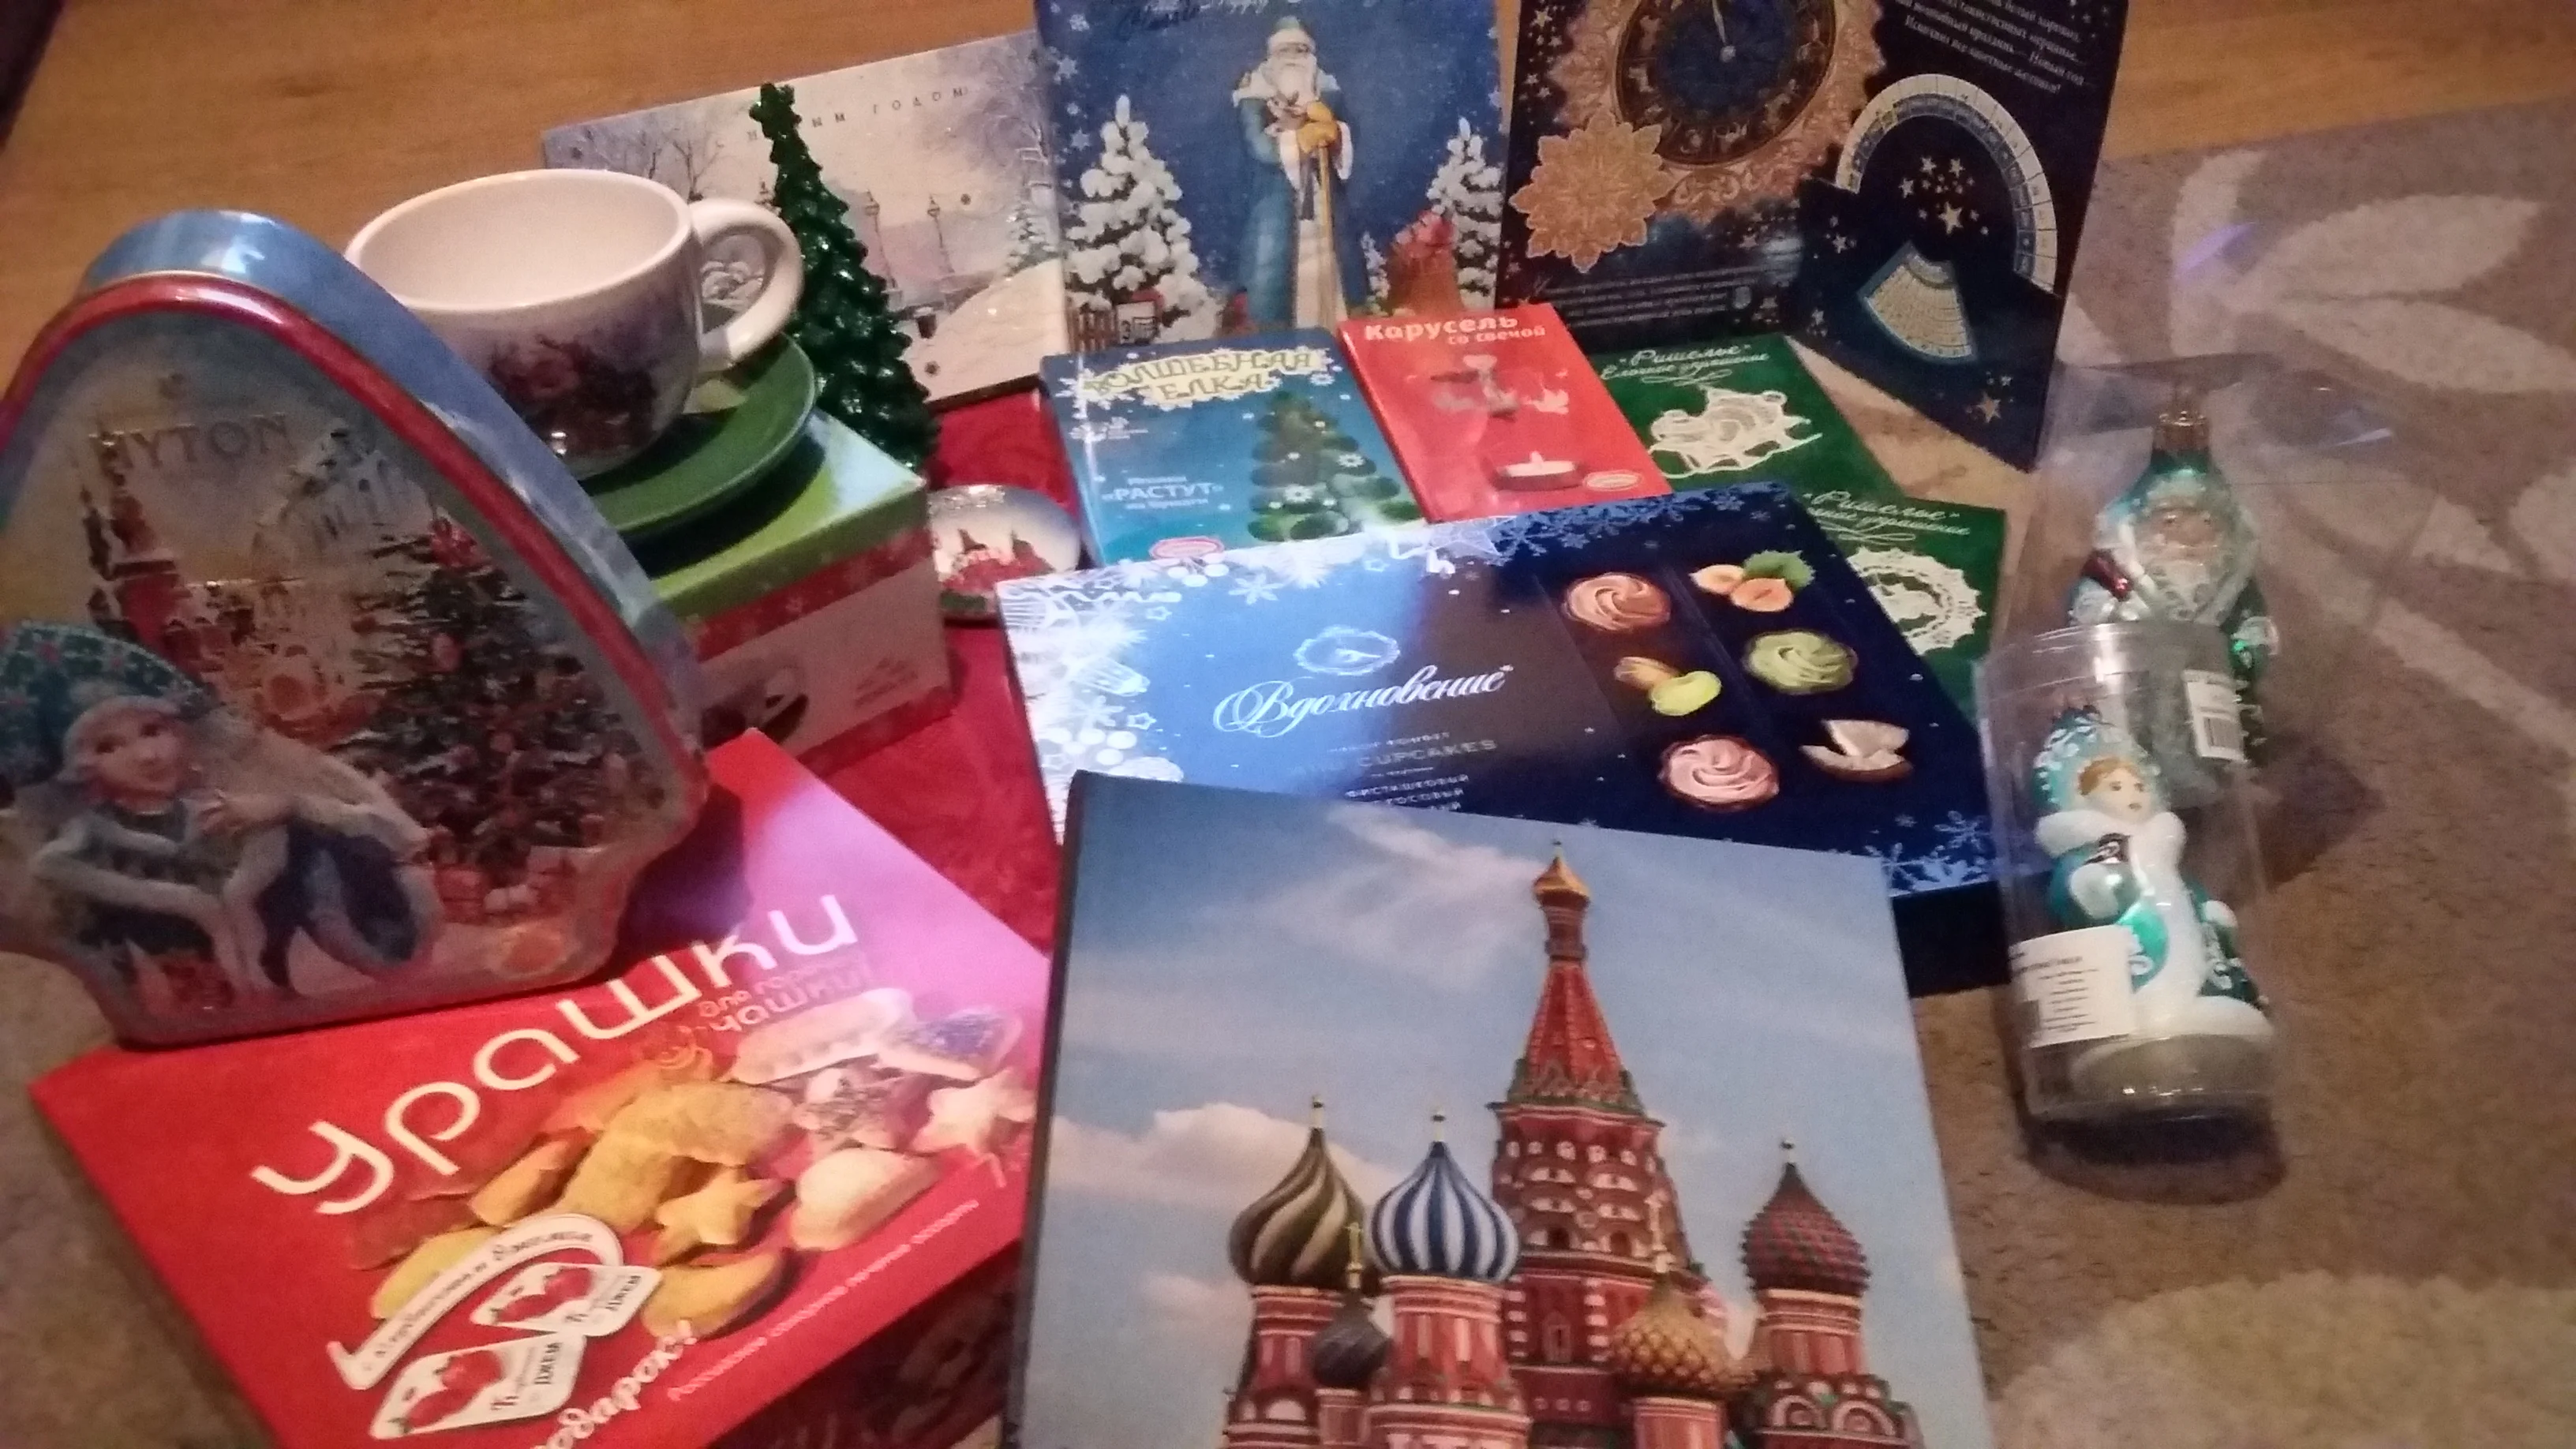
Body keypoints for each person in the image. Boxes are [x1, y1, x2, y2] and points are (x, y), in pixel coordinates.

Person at [30, 689, 440, 1008]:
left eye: (153, 731)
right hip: (186, 1008)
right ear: (84, 764)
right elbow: (55, 873)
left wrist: (281, 816)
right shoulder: (95, 834)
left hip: (275, 988)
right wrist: (167, 899)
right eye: (108, 746)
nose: (147, 756)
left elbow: (346, 837)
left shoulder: (217, 807)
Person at [1234, 17, 1365, 330]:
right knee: (1277, 284)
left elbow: (1350, 133)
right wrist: (1299, 141)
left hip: (1326, 208)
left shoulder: (1328, 94)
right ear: (1272, 56)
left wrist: (1336, 134)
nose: (1293, 57)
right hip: (1276, 214)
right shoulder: (1254, 99)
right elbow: (1260, 148)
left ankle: (1334, 328)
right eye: (1285, 50)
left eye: (1300, 50)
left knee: (1334, 273)